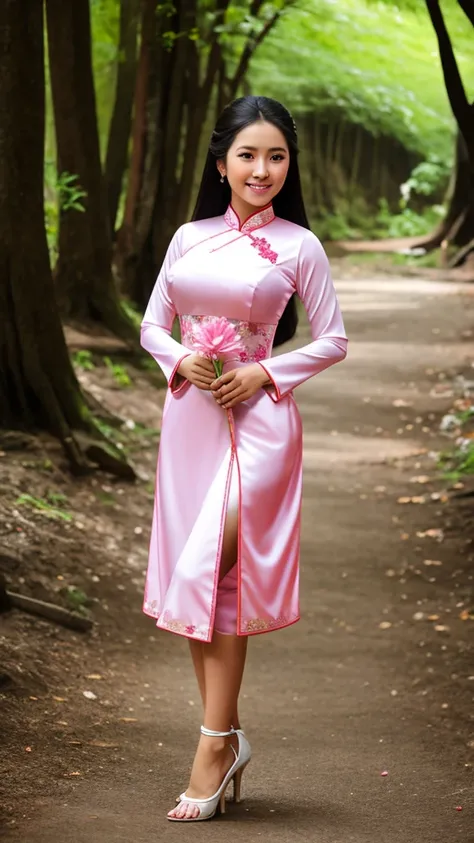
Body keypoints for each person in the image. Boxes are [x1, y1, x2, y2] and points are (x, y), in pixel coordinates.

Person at [140, 95, 348, 822]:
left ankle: (211, 745)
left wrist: (265, 371)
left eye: (277, 156)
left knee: (210, 565)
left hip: (259, 426)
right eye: (249, 155)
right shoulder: (187, 236)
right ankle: (226, 736)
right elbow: (151, 325)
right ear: (221, 161)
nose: (263, 169)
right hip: (191, 420)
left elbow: (333, 338)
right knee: (204, 585)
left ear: (290, 165)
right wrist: (181, 358)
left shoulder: (299, 246)